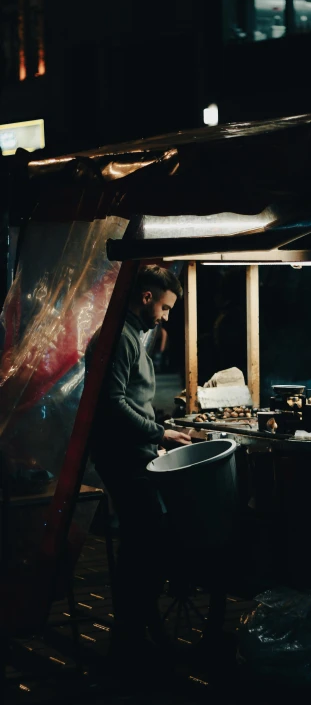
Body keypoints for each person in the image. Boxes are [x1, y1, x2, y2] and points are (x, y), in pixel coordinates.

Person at [85, 265, 191, 664]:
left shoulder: (132, 334)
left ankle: (136, 629)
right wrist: (158, 432)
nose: (166, 317)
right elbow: (113, 404)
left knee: (145, 539)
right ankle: (130, 635)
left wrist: (156, 429)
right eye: (164, 307)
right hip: (122, 456)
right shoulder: (119, 339)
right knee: (145, 538)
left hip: (135, 452)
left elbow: (130, 396)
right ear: (146, 297)